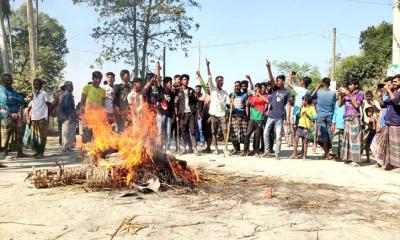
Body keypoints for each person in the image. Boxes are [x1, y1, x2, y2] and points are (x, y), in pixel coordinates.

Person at [262, 61, 291, 159]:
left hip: (279, 117)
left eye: (279, 81)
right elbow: (271, 79)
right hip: (270, 115)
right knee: (265, 133)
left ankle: (277, 154)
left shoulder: (287, 92)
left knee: (278, 136)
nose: (277, 82)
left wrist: (288, 118)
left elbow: (288, 105)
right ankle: (267, 151)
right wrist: (268, 68)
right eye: (277, 81)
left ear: (283, 81)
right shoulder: (274, 89)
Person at [374, 75, 400, 170]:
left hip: (396, 122)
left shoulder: (397, 94)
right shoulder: (392, 93)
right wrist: (379, 97)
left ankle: (397, 164)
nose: (393, 84)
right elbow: (383, 105)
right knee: (389, 145)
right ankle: (390, 163)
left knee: (396, 145)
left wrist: (388, 90)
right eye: (392, 82)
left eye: (395, 82)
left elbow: (396, 102)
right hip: (388, 122)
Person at [0, 74, 27, 159]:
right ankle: (5, 153)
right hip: (6, 114)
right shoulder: (1, 90)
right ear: (3, 81)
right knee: (6, 134)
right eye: (7, 80)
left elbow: (22, 101)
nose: (10, 81)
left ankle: (20, 152)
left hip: (16, 114)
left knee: (19, 133)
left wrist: (14, 98)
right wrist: (15, 99)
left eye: (10, 79)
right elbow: (6, 101)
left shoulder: (13, 91)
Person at [338, 79, 364, 166]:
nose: (349, 86)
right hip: (347, 118)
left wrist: (350, 95)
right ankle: (349, 158)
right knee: (347, 138)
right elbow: (339, 105)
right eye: (348, 85)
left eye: (351, 85)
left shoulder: (360, 94)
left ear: (356, 85)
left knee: (355, 139)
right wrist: (340, 95)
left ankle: (356, 160)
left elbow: (356, 105)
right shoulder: (346, 95)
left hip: (355, 118)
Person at [206, 59, 229, 155]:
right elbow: (209, 77)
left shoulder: (225, 92)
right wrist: (208, 66)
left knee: (225, 130)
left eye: (222, 81)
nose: (221, 82)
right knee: (214, 131)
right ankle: (216, 148)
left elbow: (228, 104)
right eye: (219, 81)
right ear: (216, 82)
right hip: (213, 113)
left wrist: (227, 111)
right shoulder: (213, 89)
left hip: (222, 113)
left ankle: (226, 148)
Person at [175, 73, 200, 155]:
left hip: (191, 113)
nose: (186, 81)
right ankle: (184, 148)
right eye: (184, 79)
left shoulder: (191, 90)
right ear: (181, 81)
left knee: (193, 131)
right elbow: (176, 104)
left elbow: (196, 102)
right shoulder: (177, 91)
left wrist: (197, 113)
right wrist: (176, 115)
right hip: (182, 114)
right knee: (183, 131)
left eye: (187, 79)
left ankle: (195, 149)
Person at [240, 83, 268, 156]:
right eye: (255, 88)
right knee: (247, 134)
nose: (256, 90)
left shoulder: (264, 96)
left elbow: (267, 101)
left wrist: (259, 95)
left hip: (259, 118)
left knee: (257, 135)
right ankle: (245, 150)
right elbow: (246, 104)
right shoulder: (252, 97)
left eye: (257, 88)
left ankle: (256, 151)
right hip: (252, 118)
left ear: (260, 89)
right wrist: (249, 96)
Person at [312, 77, 336, 159]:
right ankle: (334, 153)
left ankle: (326, 153)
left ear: (322, 83)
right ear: (329, 84)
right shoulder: (333, 93)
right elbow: (334, 105)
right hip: (330, 115)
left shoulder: (318, 92)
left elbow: (309, 97)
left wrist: (316, 88)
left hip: (321, 116)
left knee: (324, 135)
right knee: (330, 134)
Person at [81, 71, 106, 143]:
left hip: (98, 116)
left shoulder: (103, 91)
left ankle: (95, 151)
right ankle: (85, 151)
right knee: (87, 134)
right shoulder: (87, 88)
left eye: (100, 79)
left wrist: (104, 115)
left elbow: (103, 105)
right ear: (93, 78)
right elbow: (82, 101)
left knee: (97, 135)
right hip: (88, 115)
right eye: (96, 78)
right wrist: (82, 113)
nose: (98, 80)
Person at [290, 94, 317, 159]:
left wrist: (309, 116)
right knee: (296, 139)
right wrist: (300, 108)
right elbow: (297, 114)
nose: (302, 101)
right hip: (300, 126)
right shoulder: (302, 107)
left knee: (305, 142)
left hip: (306, 127)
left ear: (307, 101)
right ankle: (294, 154)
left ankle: (304, 155)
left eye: (303, 100)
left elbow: (316, 117)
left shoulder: (311, 108)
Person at [31, 78, 52, 159]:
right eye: (34, 84)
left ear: (41, 85)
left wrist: (47, 116)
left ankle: (41, 153)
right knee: (36, 136)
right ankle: (37, 152)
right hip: (34, 118)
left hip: (42, 118)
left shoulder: (44, 93)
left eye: (37, 84)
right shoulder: (34, 94)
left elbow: (49, 105)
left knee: (42, 137)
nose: (35, 86)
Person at [229, 80, 248, 155]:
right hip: (233, 117)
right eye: (235, 86)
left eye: (238, 86)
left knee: (244, 134)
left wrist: (246, 115)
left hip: (242, 117)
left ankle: (245, 150)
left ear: (240, 87)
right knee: (234, 134)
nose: (236, 87)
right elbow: (228, 105)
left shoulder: (244, 95)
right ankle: (236, 149)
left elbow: (246, 107)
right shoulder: (231, 95)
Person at [158, 76, 176, 151]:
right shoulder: (161, 90)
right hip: (160, 115)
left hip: (168, 116)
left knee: (168, 133)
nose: (171, 84)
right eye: (169, 83)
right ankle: (160, 148)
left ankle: (167, 148)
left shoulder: (172, 94)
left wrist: (173, 115)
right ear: (165, 84)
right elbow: (158, 80)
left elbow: (172, 105)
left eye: (171, 83)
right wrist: (158, 68)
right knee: (160, 132)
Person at [58, 81, 77, 152]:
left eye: (72, 86)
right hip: (68, 116)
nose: (72, 87)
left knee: (66, 132)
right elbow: (68, 106)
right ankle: (66, 147)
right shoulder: (68, 94)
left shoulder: (63, 94)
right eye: (71, 86)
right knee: (68, 132)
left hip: (65, 116)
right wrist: (70, 117)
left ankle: (66, 147)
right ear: (66, 87)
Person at [194, 85, 206, 149]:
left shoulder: (203, 97)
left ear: (200, 89)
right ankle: (197, 140)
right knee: (195, 129)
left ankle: (202, 141)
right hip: (194, 115)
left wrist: (201, 114)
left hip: (201, 115)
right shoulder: (194, 96)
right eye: (196, 89)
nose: (196, 90)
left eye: (198, 89)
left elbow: (204, 106)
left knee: (201, 129)